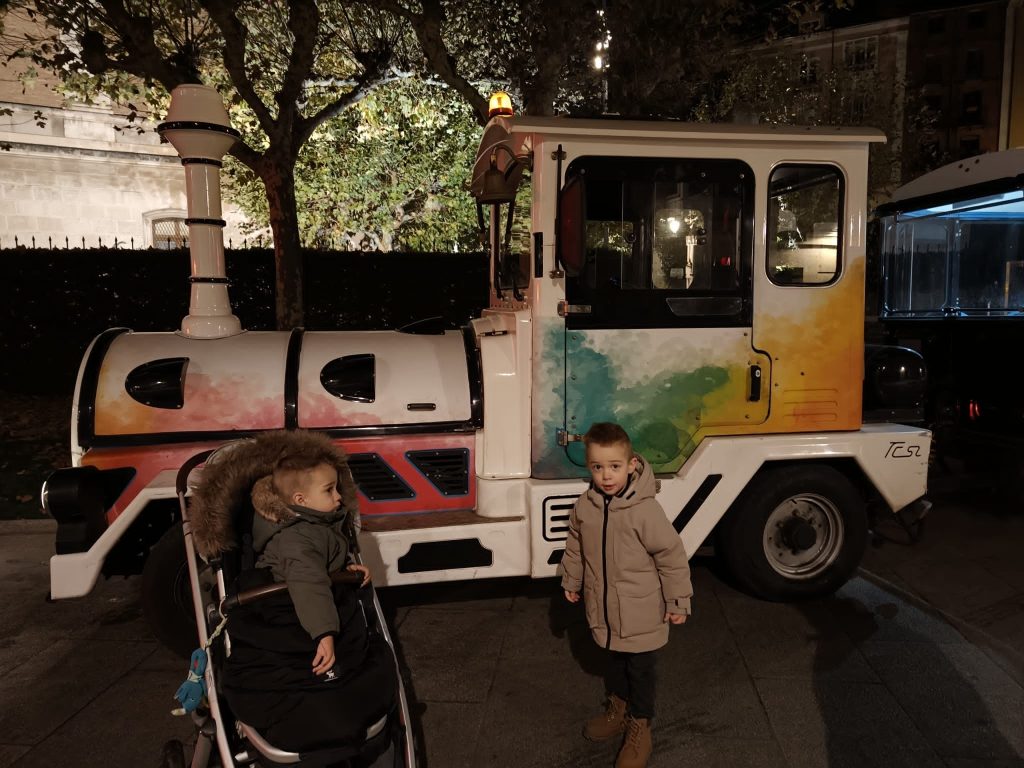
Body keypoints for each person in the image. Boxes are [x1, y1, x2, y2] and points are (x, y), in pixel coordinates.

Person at [558, 422, 693, 768]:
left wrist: (678, 601)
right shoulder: (585, 507)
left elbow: (671, 555)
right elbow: (576, 548)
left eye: (614, 467)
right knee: (614, 663)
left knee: (641, 671)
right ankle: (618, 707)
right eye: (598, 467)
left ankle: (641, 724)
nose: (606, 476)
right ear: (589, 467)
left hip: (642, 613)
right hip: (604, 611)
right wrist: (571, 581)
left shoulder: (644, 511)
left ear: (631, 465)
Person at [250, 447, 371, 678]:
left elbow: (323, 563)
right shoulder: (297, 537)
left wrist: (347, 569)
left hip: (312, 601)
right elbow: (308, 580)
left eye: (336, 488)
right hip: (293, 608)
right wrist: (324, 633)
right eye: (329, 490)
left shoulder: (319, 526)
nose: (338, 496)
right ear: (301, 499)